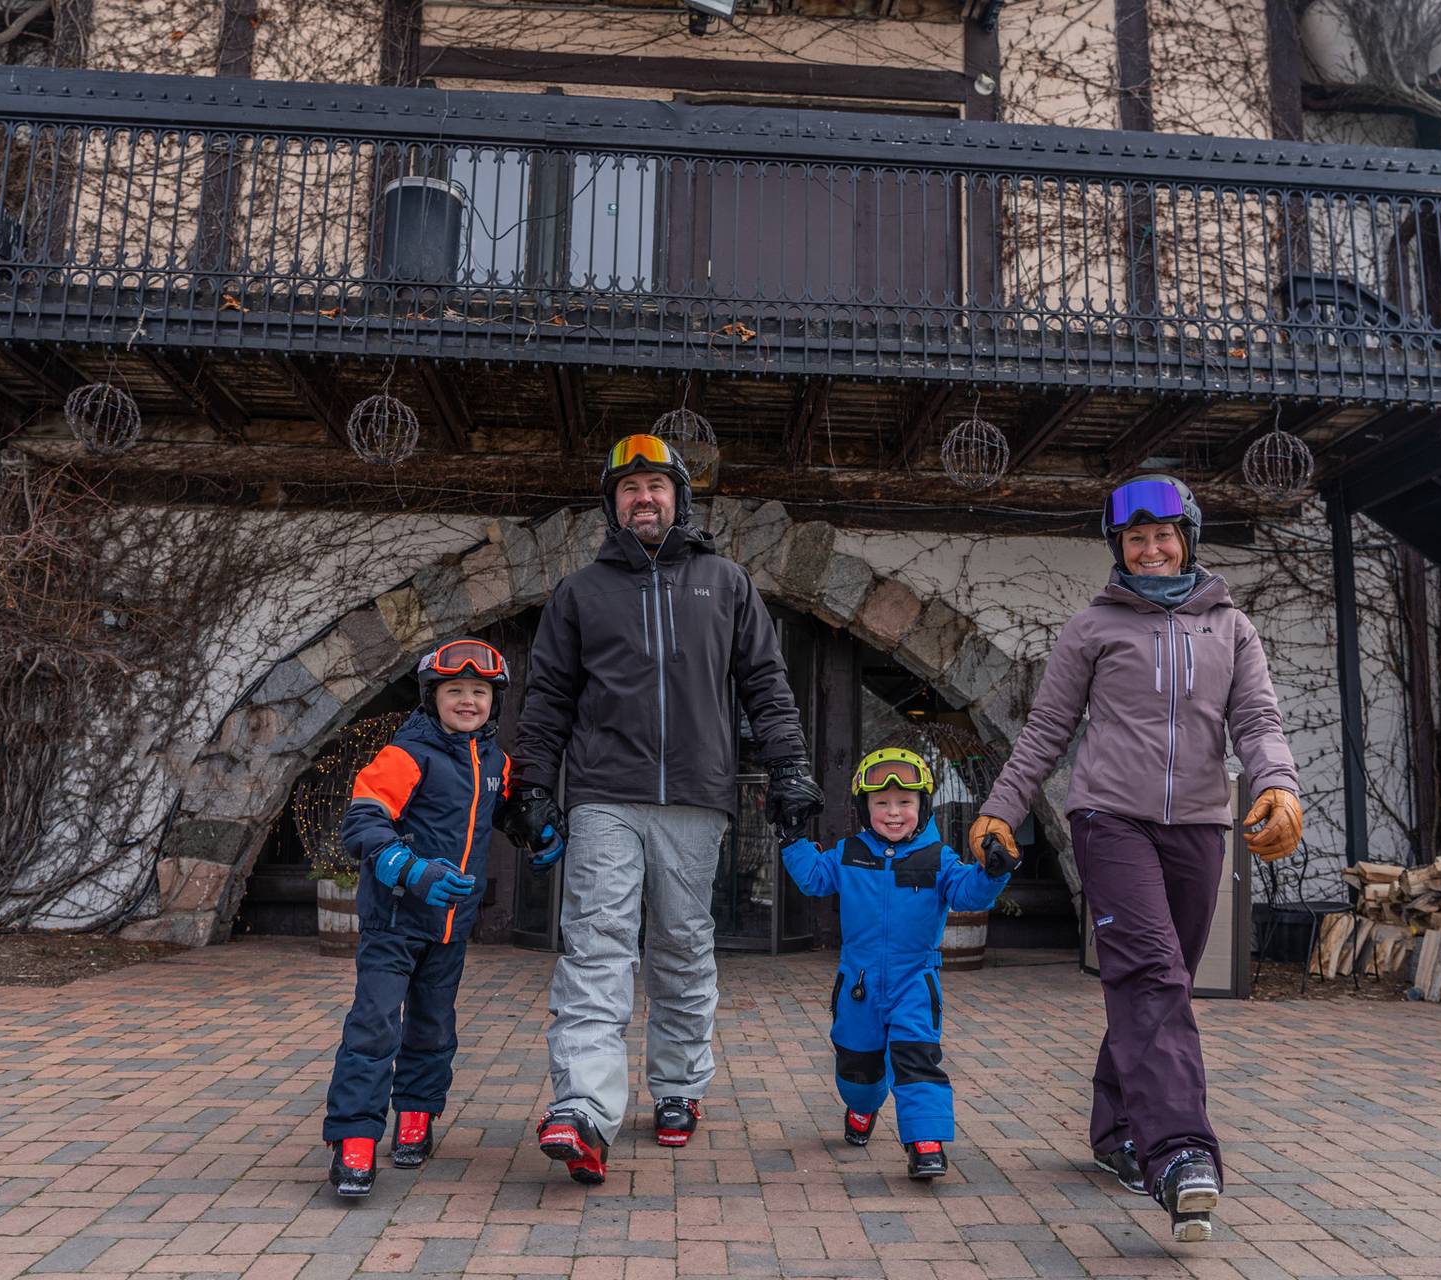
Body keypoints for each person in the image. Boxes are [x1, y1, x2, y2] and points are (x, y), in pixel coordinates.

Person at [970, 476, 1302, 1243]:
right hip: (1110, 820)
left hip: (1198, 826)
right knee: (1152, 974)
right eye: (1134, 539)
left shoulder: (1232, 628)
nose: (1150, 550)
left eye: (1163, 536)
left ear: (1187, 538)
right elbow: (1047, 728)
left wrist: (1278, 783)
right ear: (1117, 549)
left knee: (1163, 981)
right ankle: (1179, 1153)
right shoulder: (1092, 627)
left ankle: (1116, 1130)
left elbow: (1256, 718)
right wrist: (1001, 806)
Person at [504, 433, 823, 1185]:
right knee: (597, 943)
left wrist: (792, 771)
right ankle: (584, 1106)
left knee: (681, 945)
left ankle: (678, 1085)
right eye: (628, 488)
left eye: (656, 485)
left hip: (695, 795)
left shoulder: (726, 582)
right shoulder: (580, 592)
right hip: (603, 795)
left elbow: (766, 688)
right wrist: (532, 786)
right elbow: (547, 698)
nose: (643, 498)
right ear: (611, 506)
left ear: (679, 497)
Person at [321, 638, 512, 1197]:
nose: (468, 701)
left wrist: (538, 827)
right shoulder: (407, 754)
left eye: (479, 692)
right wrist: (408, 868)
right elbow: (363, 820)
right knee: (374, 1026)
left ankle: (415, 1118)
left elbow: (504, 806)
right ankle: (354, 1141)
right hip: (395, 920)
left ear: (493, 702)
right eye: (455, 691)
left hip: (450, 926)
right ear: (433, 698)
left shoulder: (494, 760)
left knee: (433, 1027)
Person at [779, 747, 1016, 1181]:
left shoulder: (938, 858)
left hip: (914, 982)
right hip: (859, 985)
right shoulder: (849, 853)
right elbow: (813, 878)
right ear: (863, 808)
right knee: (858, 1070)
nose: (893, 813)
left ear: (922, 806)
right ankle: (863, 1106)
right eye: (881, 803)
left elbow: (968, 893)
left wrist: (994, 871)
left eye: (904, 803)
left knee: (917, 1058)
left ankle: (926, 1141)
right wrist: (791, 838)